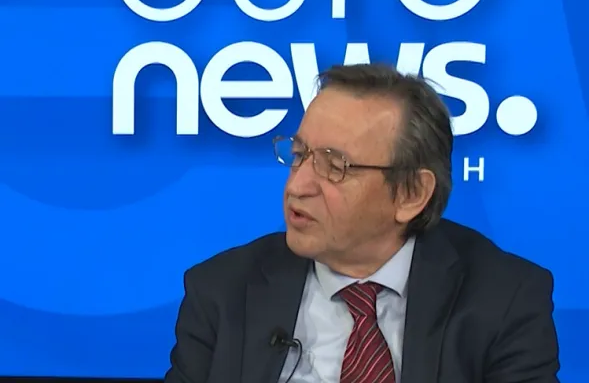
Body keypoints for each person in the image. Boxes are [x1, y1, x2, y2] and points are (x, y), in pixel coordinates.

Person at [163, 63, 560, 383]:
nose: (297, 186)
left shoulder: (503, 299)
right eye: (299, 155)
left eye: (335, 166)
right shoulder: (222, 291)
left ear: (411, 194)